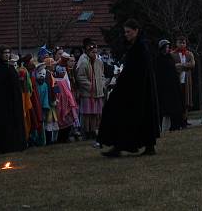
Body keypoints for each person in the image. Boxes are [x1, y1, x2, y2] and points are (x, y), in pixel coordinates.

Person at [99, 19, 160, 157]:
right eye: (125, 32)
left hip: (139, 88)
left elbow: (140, 69)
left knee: (138, 115)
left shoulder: (141, 47)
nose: (126, 34)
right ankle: (118, 145)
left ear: (136, 31)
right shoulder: (134, 46)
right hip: (131, 87)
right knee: (119, 112)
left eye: (129, 32)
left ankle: (140, 146)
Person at [0, 45, 26, 154]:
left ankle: (16, 144)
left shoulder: (11, 67)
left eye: (8, 52)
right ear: (0, 54)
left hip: (14, 100)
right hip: (2, 101)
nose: (7, 55)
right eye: (5, 53)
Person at [76, 42, 106, 140]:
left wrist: (102, 84)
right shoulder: (84, 63)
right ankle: (86, 131)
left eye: (96, 52)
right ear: (88, 52)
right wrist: (91, 86)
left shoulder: (99, 62)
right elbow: (80, 77)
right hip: (88, 93)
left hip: (98, 93)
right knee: (87, 114)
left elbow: (101, 75)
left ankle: (93, 131)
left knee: (95, 113)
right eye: (93, 52)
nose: (95, 54)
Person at [154, 40, 185, 132]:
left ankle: (176, 125)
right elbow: (158, 74)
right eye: (166, 47)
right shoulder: (158, 59)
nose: (168, 49)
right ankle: (163, 127)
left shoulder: (169, 57)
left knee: (175, 106)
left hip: (173, 86)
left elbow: (173, 70)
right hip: (164, 87)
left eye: (168, 47)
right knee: (166, 108)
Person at [53, 53, 79, 143]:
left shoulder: (66, 70)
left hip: (66, 95)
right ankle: (62, 138)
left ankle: (65, 137)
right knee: (62, 116)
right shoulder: (59, 69)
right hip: (61, 96)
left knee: (67, 116)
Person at [172, 36, 196, 125]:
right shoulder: (172, 54)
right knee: (178, 101)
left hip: (187, 81)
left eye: (183, 43)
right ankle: (178, 120)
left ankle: (185, 119)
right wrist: (185, 66)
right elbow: (173, 66)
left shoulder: (189, 54)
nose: (182, 44)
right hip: (177, 81)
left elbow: (192, 64)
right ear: (176, 43)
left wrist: (181, 65)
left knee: (186, 101)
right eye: (180, 42)